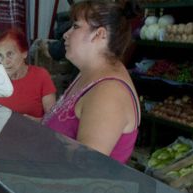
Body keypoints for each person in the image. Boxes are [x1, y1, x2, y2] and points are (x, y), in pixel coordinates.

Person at [42, 0, 141, 164]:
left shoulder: (109, 93)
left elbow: (86, 165)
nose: (66, 34)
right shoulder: (88, 74)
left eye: (75, 26)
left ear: (99, 34)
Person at [0, 29, 57, 120]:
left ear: (24, 53)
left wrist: (37, 121)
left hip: (32, 132)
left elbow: (53, 120)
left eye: (10, 54)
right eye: (0, 56)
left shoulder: (41, 76)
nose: (5, 62)